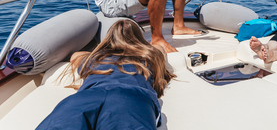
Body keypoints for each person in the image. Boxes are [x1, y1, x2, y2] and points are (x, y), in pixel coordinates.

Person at [36, 19, 175, 129]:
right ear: (139, 38)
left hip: (86, 97)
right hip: (131, 99)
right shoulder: (149, 55)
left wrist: (98, 51)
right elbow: (159, 48)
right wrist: (143, 46)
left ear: (108, 39)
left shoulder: (95, 59)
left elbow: (75, 56)